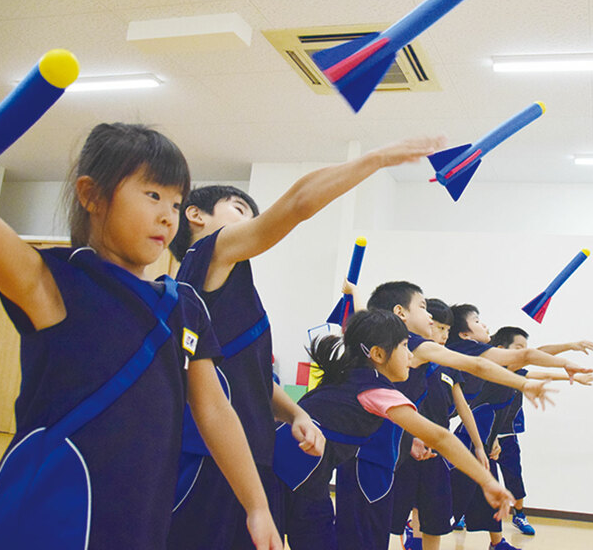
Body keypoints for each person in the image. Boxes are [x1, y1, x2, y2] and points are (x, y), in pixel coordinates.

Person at [0, 123, 281, 550]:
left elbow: (214, 410)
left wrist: (256, 505)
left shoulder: (183, 306)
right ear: (91, 195)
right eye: (153, 195)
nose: (167, 215)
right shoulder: (56, 283)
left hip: (140, 521)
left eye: (176, 202)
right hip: (49, 518)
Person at [167, 136, 445, 549]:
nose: (252, 218)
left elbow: (251, 380)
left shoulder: (222, 288)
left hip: (242, 457)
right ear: (196, 215)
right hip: (210, 460)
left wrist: (296, 413)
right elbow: (296, 205)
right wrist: (376, 160)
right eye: (241, 209)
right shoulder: (209, 252)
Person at [335, 282, 554, 550]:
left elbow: (440, 437)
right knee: (358, 534)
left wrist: (355, 291)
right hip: (366, 461)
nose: (430, 318)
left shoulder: (381, 354)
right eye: (423, 307)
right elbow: (477, 366)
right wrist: (524, 384)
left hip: (386, 458)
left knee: (374, 531)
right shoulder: (390, 372)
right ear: (400, 313)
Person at [276, 309, 515, 550]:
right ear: (378, 354)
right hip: (288, 478)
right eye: (404, 347)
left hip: (299, 479)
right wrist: (487, 481)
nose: (411, 357)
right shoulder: (375, 390)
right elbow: (441, 438)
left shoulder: (348, 375)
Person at [446, 305, 593, 550]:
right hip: (471, 438)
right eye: (477, 321)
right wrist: (566, 357)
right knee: (448, 497)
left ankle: (497, 542)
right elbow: (530, 355)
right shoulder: (481, 359)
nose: (484, 325)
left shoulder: (492, 364)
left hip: (486, 437)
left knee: (493, 490)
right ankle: (426, 523)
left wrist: (571, 372)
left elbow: (531, 360)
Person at [393, 299, 487, 550]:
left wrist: (478, 446)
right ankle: (409, 537)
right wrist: (410, 438)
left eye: (447, 329)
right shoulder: (408, 358)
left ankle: (419, 541)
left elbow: (464, 407)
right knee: (393, 512)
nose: (443, 335)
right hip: (404, 449)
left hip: (437, 449)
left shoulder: (449, 364)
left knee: (434, 515)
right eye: (438, 327)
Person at [486, 326, 593, 536]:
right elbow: (532, 356)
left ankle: (518, 514)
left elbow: (539, 366)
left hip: (507, 434)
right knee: (476, 477)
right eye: (518, 347)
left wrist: (572, 369)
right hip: (484, 434)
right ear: (501, 349)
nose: (525, 352)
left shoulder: (516, 370)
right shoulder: (486, 368)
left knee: (514, 478)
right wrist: (569, 349)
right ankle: (463, 513)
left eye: (524, 348)